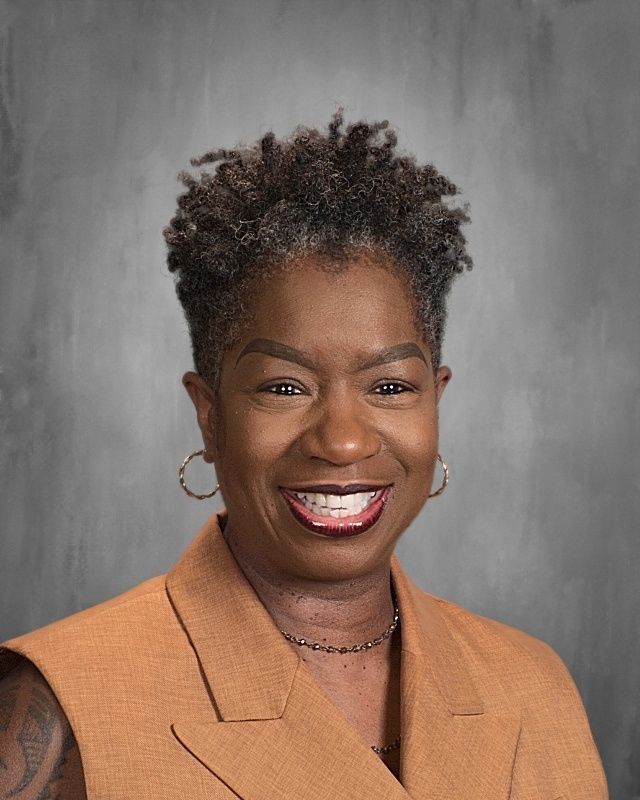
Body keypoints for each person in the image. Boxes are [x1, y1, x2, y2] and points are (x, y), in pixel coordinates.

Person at [0, 112, 608, 799]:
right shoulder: (62, 708)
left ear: (435, 401)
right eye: (284, 387)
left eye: (389, 387)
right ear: (210, 416)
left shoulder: (534, 687)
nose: (343, 441)